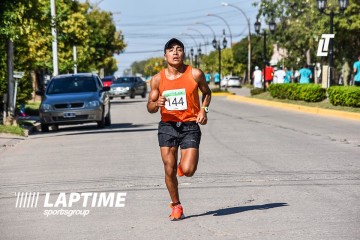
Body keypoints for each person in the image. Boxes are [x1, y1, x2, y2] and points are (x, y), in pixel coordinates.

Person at [147, 38, 211, 221]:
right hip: (167, 126)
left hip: (190, 126)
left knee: (188, 170)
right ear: (165, 55)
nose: (175, 52)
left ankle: (182, 168)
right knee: (169, 168)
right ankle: (176, 205)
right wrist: (155, 103)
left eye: (179, 49)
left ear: (183, 53)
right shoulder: (157, 79)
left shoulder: (195, 74)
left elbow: (207, 93)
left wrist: (203, 110)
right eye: (171, 50)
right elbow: (150, 108)